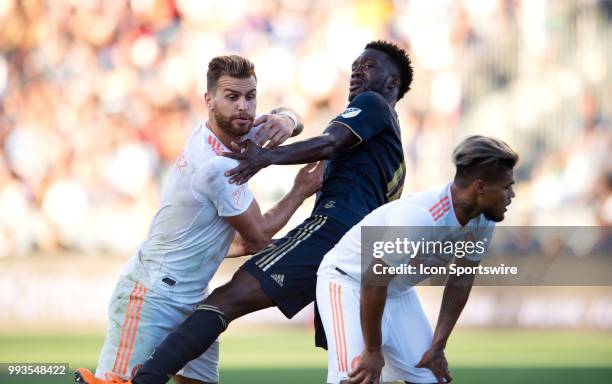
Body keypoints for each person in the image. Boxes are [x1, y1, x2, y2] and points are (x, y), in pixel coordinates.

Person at [112, 39, 414, 384]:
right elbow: (296, 125)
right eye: (355, 66)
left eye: (370, 66)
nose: (358, 71)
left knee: (227, 299)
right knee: (369, 364)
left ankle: (143, 379)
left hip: (333, 230)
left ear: (392, 83)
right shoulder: (391, 141)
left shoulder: (372, 104)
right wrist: (287, 121)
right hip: (362, 250)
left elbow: (330, 144)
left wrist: (266, 158)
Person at [75, 54, 323, 384]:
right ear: (209, 100)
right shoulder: (215, 164)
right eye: (232, 97)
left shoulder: (231, 132)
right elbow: (259, 238)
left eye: (250, 97)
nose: (244, 107)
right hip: (153, 296)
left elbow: (293, 121)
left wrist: (287, 119)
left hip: (193, 298)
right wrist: (299, 190)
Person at [316, 135, 518, 384]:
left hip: (395, 291)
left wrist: (438, 346)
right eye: (507, 187)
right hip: (348, 283)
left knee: (431, 376)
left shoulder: (483, 219)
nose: (512, 194)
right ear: (479, 188)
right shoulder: (418, 217)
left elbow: (461, 280)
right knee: (359, 379)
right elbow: (373, 280)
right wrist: (372, 350)